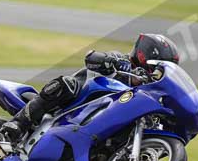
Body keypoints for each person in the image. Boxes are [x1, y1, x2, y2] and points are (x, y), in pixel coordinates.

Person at [9, 33, 180, 138]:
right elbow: (91, 57)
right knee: (65, 84)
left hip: (95, 125)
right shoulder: (120, 60)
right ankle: (18, 123)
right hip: (74, 104)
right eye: (157, 67)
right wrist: (110, 61)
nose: (157, 73)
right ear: (146, 56)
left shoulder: (148, 92)